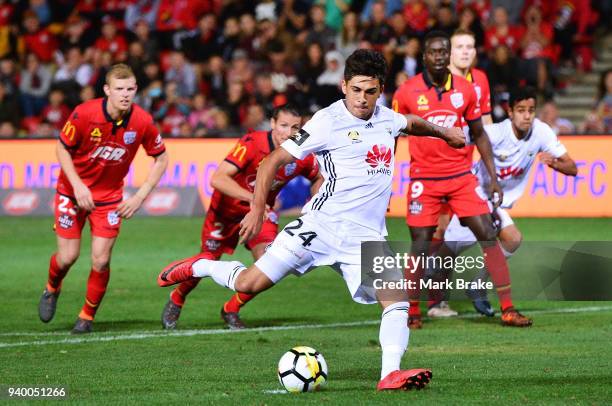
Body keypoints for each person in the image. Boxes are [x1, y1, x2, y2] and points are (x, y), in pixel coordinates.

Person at [157, 49, 465, 391]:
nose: (363, 99)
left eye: (371, 91)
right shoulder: (326, 121)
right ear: (343, 85)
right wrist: (258, 208)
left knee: (397, 299)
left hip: (366, 236)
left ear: (381, 90)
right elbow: (272, 161)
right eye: (356, 90)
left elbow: (412, 123)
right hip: (321, 226)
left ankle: (389, 374)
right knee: (248, 284)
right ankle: (199, 267)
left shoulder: (386, 117)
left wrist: (445, 132)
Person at [392, 31, 532, 328]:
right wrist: (384, 175)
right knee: (420, 243)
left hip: (461, 176)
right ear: (424, 57)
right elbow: (389, 132)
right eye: (434, 52)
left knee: (487, 235)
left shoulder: (467, 90)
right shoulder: (406, 92)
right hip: (424, 178)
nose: (440, 56)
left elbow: (479, 133)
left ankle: (508, 309)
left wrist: (493, 178)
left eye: (444, 51)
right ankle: (412, 311)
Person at [161, 104, 323, 330]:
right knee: (209, 259)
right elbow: (218, 178)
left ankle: (231, 308)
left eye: (295, 127)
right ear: (273, 124)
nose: (288, 133)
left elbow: (319, 177)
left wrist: (315, 203)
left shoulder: (300, 153)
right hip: (226, 212)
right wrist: (254, 200)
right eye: (283, 125)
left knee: (270, 263)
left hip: (262, 214)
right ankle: (177, 298)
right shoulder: (252, 143)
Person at [38, 64, 169, 334]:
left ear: (136, 90)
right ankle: (52, 287)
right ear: (107, 90)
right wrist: (77, 186)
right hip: (72, 193)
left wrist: (140, 196)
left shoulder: (142, 121)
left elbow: (162, 158)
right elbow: (62, 148)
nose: (125, 94)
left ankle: (86, 317)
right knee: (67, 257)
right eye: (119, 89)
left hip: (109, 199)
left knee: (101, 260)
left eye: (130, 89)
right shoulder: (85, 113)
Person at [443, 87, 577, 315]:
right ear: (510, 112)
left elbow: (572, 168)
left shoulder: (541, 132)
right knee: (446, 252)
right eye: (521, 110)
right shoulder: (495, 132)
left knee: (512, 239)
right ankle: (428, 297)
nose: (527, 115)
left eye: (531, 110)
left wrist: (554, 163)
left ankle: (475, 285)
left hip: (497, 204)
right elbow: (458, 139)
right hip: (476, 196)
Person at [426, 28, 494, 318]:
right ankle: (433, 300)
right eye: (459, 46)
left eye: (470, 46)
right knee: (439, 231)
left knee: (464, 234)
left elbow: (485, 126)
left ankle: (438, 294)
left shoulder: (479, 80)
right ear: (448, 51)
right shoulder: (435, 80)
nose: (465, 51)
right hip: (437, 168)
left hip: (466, 170)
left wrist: (489, 166)